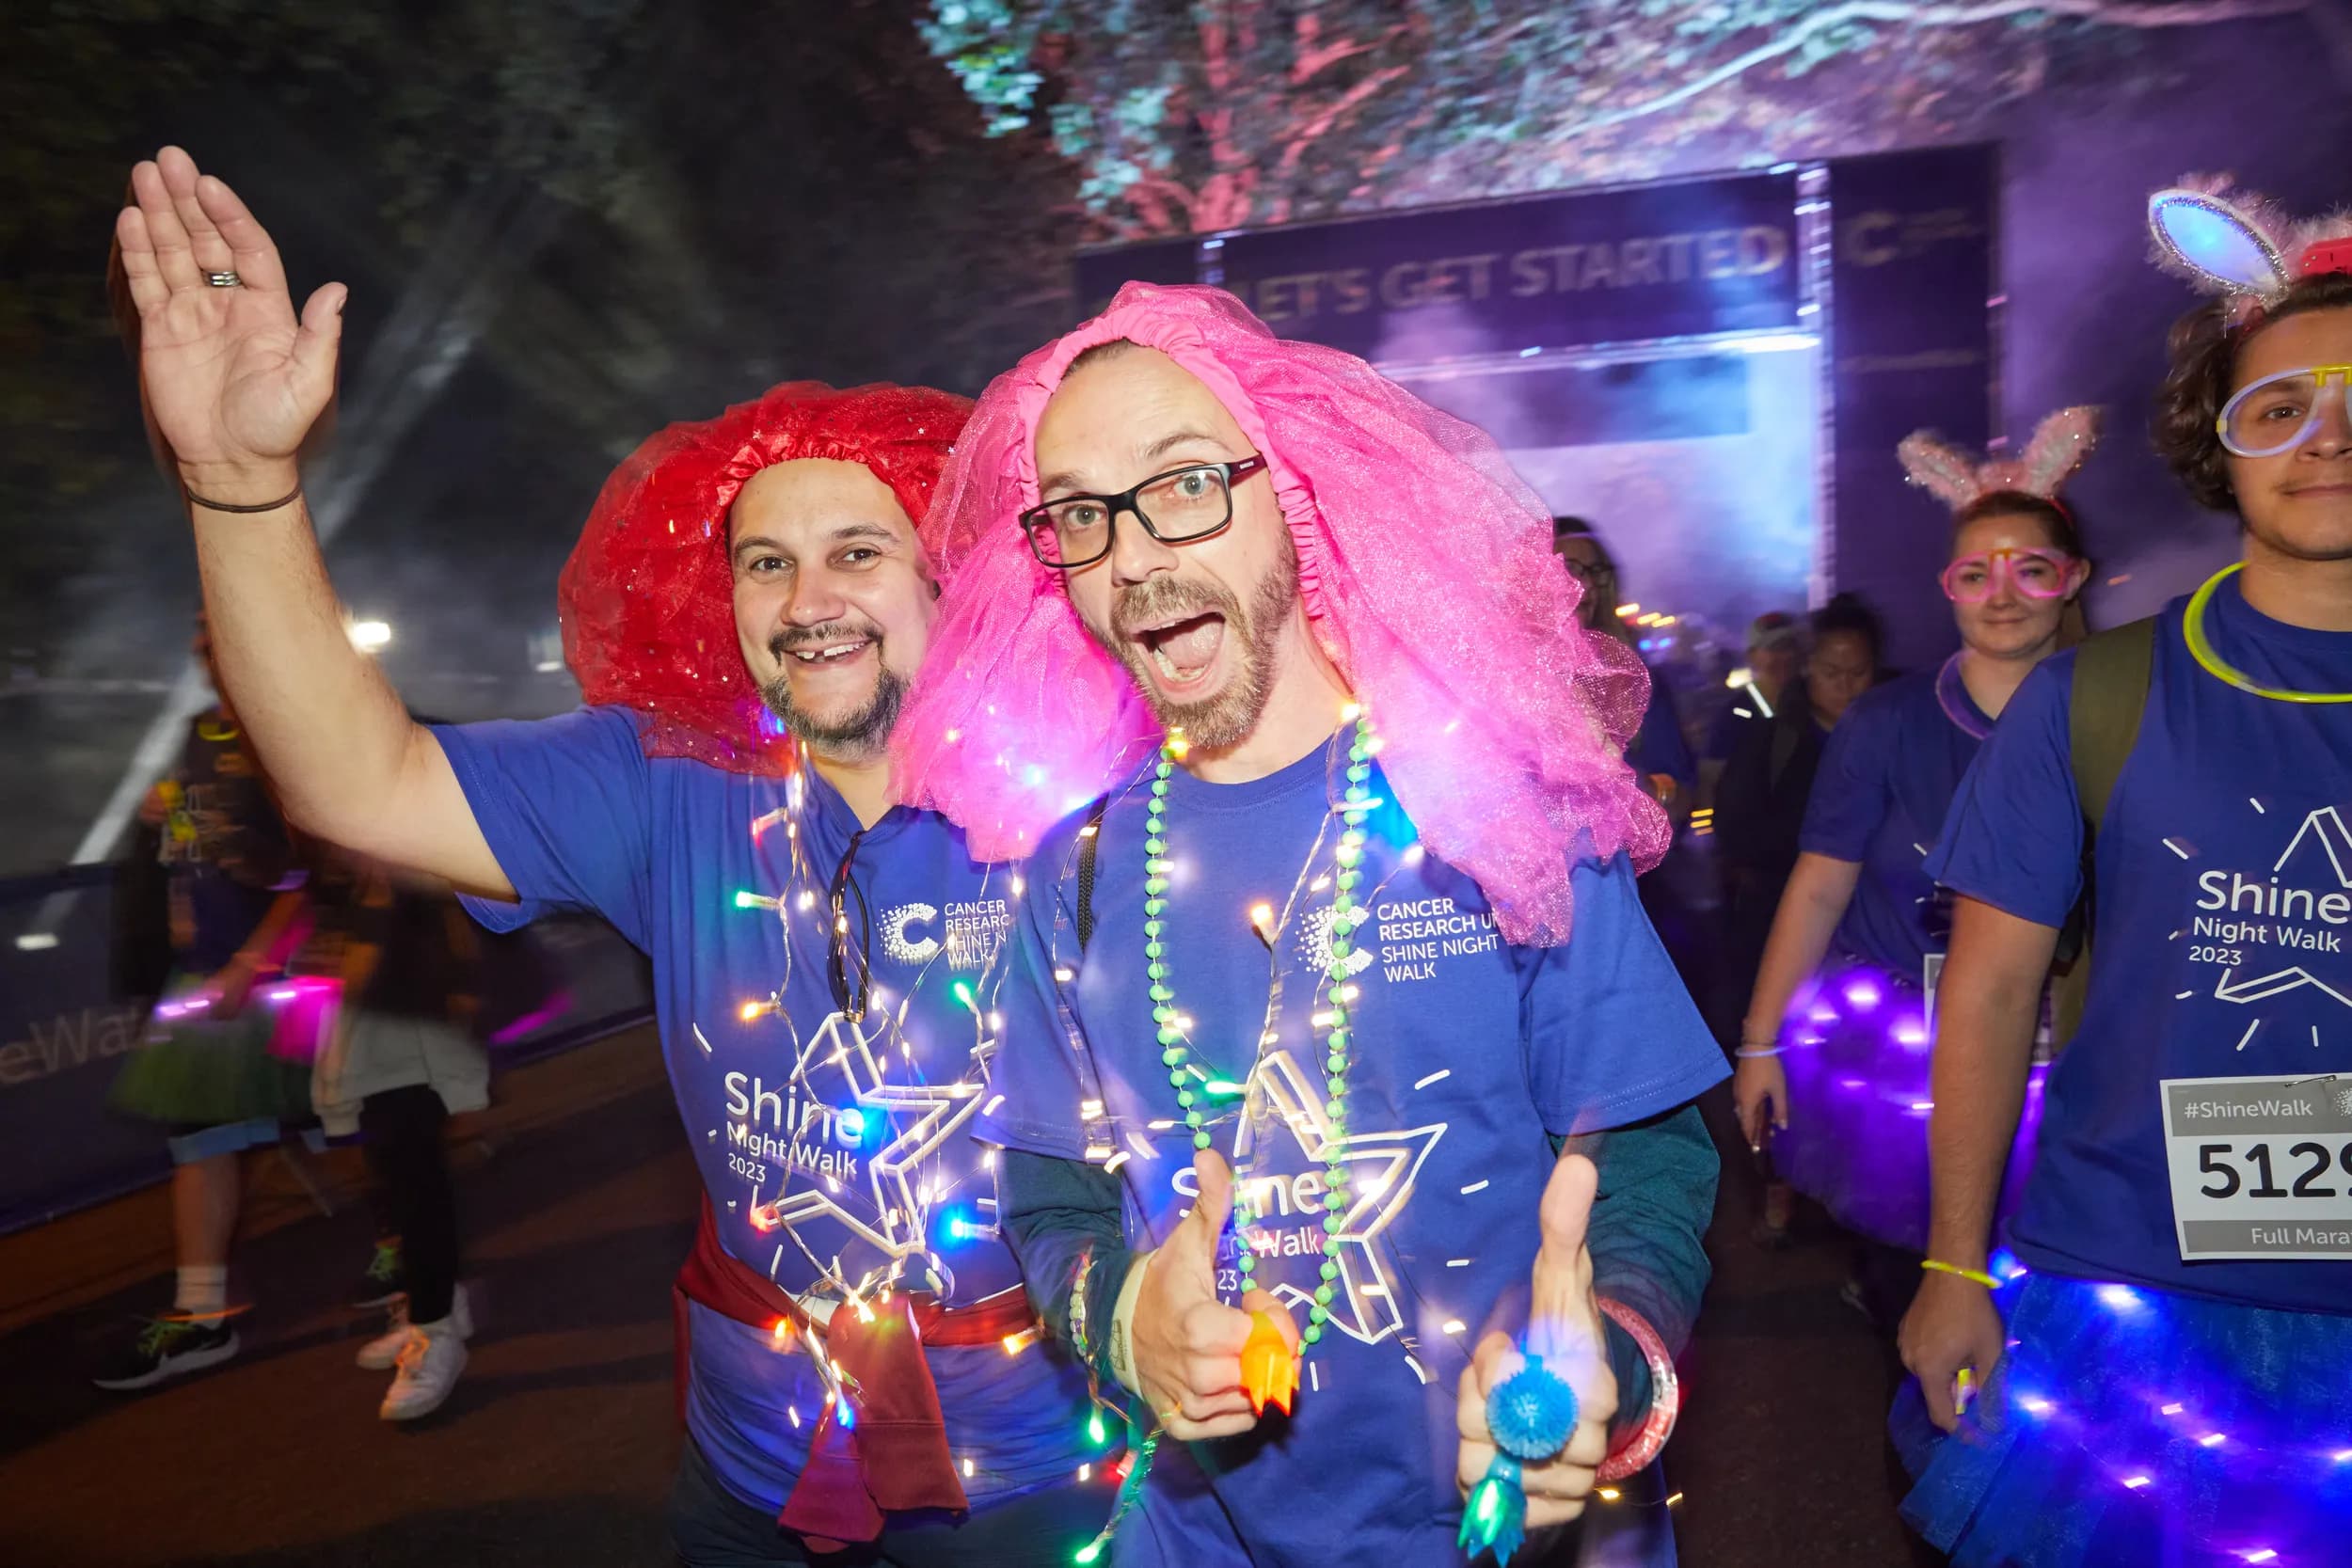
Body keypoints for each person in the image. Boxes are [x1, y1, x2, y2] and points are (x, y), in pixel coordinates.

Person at [112, 147, 1104, 1562]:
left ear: (952, 577)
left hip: (1038, 1482)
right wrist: (237, 484)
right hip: (750, 1467)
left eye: (858, 551)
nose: (809, 597)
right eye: (765, 560)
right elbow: (359, 781)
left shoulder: (1087, 799)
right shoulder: (674, 782)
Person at [890, 283, 1727, 1566]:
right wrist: (1124, 1323)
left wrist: (1604, 1349)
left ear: (1295, 485)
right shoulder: (1074, 868)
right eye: (1080, 513)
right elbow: (1052, 1192)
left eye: (1182, 485)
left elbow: (1648, 1155)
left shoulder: (1495, 804)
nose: (1132, 556)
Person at [1896, 179, 2352, 1564]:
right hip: (2137, 1295)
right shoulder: (2092, 694)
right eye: (2276, 407)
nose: (2323, 438)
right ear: (2221, 447)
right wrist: (1952, 1261)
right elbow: (1984, 997)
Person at [1731, 411, 2096, 1281]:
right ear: (1950, 587)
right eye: (1977, 572)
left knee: (2061, 1325)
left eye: (2031, 569)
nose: (2002, 593)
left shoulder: (2120, 711)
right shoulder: (1886, 723)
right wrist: (1758, 1043)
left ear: (2071, 578)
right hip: (1904, 1066)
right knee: (1918, 1304)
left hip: (2078, 1062)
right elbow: (1818, 886)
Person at [93, 621, 315, 1391]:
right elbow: (187, 860)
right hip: (205, 980)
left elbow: (321, 865)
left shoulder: (291, 730)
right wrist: (160, 824)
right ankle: (202, 1312)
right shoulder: (196, 734)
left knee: (372, 1120)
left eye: (222, 640)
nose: (211, 659)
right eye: (203, 647)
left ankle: (416, 1281)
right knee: (203, 1138)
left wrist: (258, 960)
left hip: (285, 979)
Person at [300, 848, 492, 1420]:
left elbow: (451, 903)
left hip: (415, 1012)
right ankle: (436, 1307)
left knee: (411, 1169)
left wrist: (463, 985)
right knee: (394, 1171)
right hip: (371, 1016)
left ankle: (435, 1331)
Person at [1553, 516, 1694, 811]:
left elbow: (1682, 797)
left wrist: (1628, 788)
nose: (1588, 584)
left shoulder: (1635, 682)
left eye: (1595, 571)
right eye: (1570, 568)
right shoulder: (1498, 685)